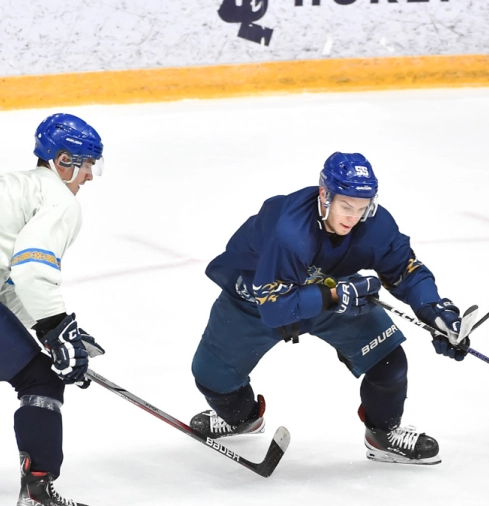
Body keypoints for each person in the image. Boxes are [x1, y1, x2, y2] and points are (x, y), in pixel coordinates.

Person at [189, 151, 471, 465]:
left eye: (362, 208)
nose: (353, 217)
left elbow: (405, 270)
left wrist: (434, 310)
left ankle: (384, 435)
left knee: (389, 362)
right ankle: (241, 419)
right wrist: (334, 297)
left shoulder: (373, 225)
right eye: (346, 206)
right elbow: (276, 309)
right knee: (212, 377)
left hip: (332, 289)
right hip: (256, 299)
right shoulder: (288, 231)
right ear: (325, 195)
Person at [0, 113, 105, 506]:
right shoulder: (60, 202)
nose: (89, 175)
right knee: (42, 380)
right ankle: (38, 488)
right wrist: (57, 330)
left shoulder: (9, 183)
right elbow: (33, 269)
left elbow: (4, 280)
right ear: (62, 160)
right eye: (86, 163)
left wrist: (53, 331)